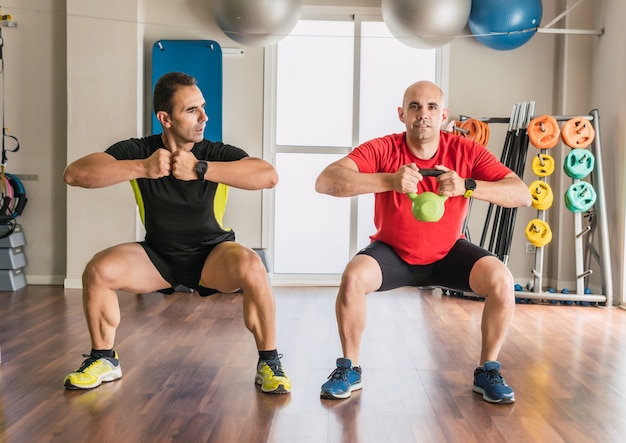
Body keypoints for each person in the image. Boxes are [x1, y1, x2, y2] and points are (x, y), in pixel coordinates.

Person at [63, 72, 290, 394]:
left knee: (253, 266)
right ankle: (104, 359)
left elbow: (268, 176)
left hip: (212, 255)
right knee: (99, 269)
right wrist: (143, 167)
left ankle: (269, 361)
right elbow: (75, 174)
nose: (204, 117)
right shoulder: (139, 150)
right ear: (165, 118)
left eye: (203, 108)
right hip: (158, 257)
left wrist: (200, 169)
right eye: (192, 110)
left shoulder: (214, 152)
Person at [315, 81, 531, 404]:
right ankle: (350, 368)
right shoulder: (384, 149)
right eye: (414, 107)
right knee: (353, 278)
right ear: (402, 114)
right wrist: (389, 180)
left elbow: (521, 193)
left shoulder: (464, 151)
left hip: (447, 253)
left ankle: (488, 371)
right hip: (392, 252)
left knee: (502, 279)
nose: (423, 114)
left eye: (431, 108)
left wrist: (467, 186)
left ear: (443, 115)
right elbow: (326, 181)